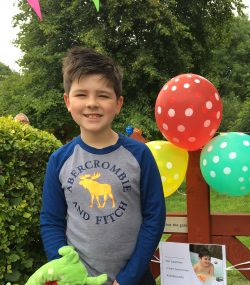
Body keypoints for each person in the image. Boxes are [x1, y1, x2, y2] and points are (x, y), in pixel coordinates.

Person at [40, 47, 166, 285]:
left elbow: (154, 218)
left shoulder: (140, 155)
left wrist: (128, 278)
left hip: (134, 280)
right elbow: (51, 220)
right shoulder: (59, 159)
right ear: (68, 101)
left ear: (118, 104)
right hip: (78, 280)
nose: (92, 103)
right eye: (81, 95)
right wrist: (65, 271)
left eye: (103, 95)